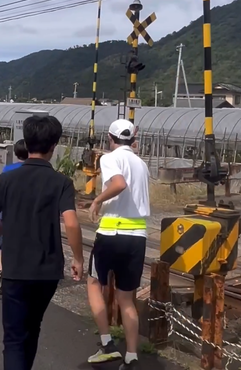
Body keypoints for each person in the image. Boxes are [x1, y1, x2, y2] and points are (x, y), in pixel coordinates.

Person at [0, 116, 84, 370]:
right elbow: (71, 223)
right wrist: (79, 258)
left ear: (26, 143)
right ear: (54, 146)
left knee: (14, 338)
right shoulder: (62, 182)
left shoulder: (8, 178)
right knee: (32, 329)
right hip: (47, 271)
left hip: (15, 268)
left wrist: (7, 232)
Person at [85, 119, 151, 369]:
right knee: (126, 298)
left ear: (110, 139)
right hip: (137, 237)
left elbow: (118, 184)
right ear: (132, 139)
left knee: (93, 283)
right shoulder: (141, 164)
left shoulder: (109, 157)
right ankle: (132, 355)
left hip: (112, 232)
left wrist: (97, 201)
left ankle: (107, 344)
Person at [0, 139, 28, 295]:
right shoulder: (32, 171)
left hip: (5, 215)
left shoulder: (8, 170)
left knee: (0, 246)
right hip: (25, 216)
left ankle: (1, 272)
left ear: (15, 153)